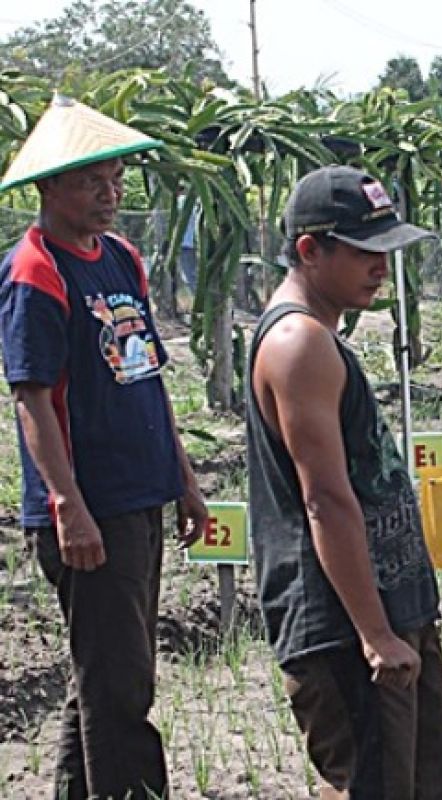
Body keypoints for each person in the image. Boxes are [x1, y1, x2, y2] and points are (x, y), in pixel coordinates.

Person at [0, 96, 208, 799]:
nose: (109, 195)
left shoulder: (122, 258)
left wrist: (182, 477)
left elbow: (145, 374)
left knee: (104, 671)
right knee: (121, 687)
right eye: (92, 182)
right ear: (49, 186)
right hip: (91, 506)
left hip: (139, 491)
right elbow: (30, 397)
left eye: (116, 180)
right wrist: (67, 504)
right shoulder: (35, 272)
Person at [246, 165, 442, 798]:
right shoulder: (297, 343)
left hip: (390, 611)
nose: (381, 268)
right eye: (366, 253)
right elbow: (326, 499)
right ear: (310, 250)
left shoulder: (319, 339)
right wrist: (375, 634)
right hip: (345, 630)